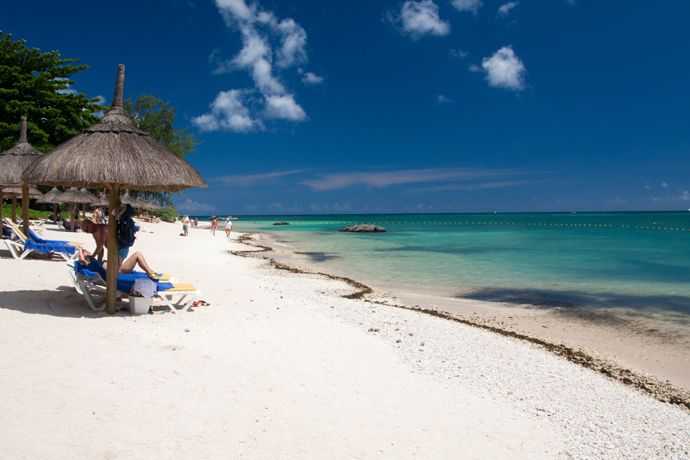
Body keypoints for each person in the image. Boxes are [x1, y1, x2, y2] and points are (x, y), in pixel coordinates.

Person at [77, 247, 158, 279]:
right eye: (86, 252)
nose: (88, 251)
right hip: (118, 271)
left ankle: (150, 271)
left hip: (117, 269)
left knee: (137, 254)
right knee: (137, 254)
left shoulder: (95, 261)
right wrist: (80, 250)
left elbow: (101, 249)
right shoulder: (88, 264)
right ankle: (150, 272)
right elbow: (82, 259)